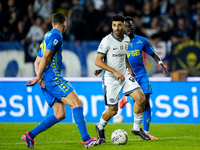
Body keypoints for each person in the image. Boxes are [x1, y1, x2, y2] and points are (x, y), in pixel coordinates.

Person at [22, 13, 99, 149]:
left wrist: (39, 77)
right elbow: (45, 57)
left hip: (45, 80)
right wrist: (38, 78)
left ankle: (30, 135)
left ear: (52, 23)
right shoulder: (57, 35)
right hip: (53, 78)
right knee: (77, 103)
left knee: (60, 114)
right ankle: (86, 140)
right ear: (65, 23)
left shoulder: (46, 36)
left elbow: (37, 61)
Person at [95, 16, 169, 140]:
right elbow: (98, 60)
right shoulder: (106, 40)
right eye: (115, 25)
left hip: (126, 74)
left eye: (120, 25)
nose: (117, 28)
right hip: (111, 78)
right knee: (113, 110)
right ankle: (100, 126)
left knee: (141, 99)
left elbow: (123, 56)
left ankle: (136, 128)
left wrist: (129, 67)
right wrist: (111, 71)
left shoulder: (126, 39)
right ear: (112, 26)